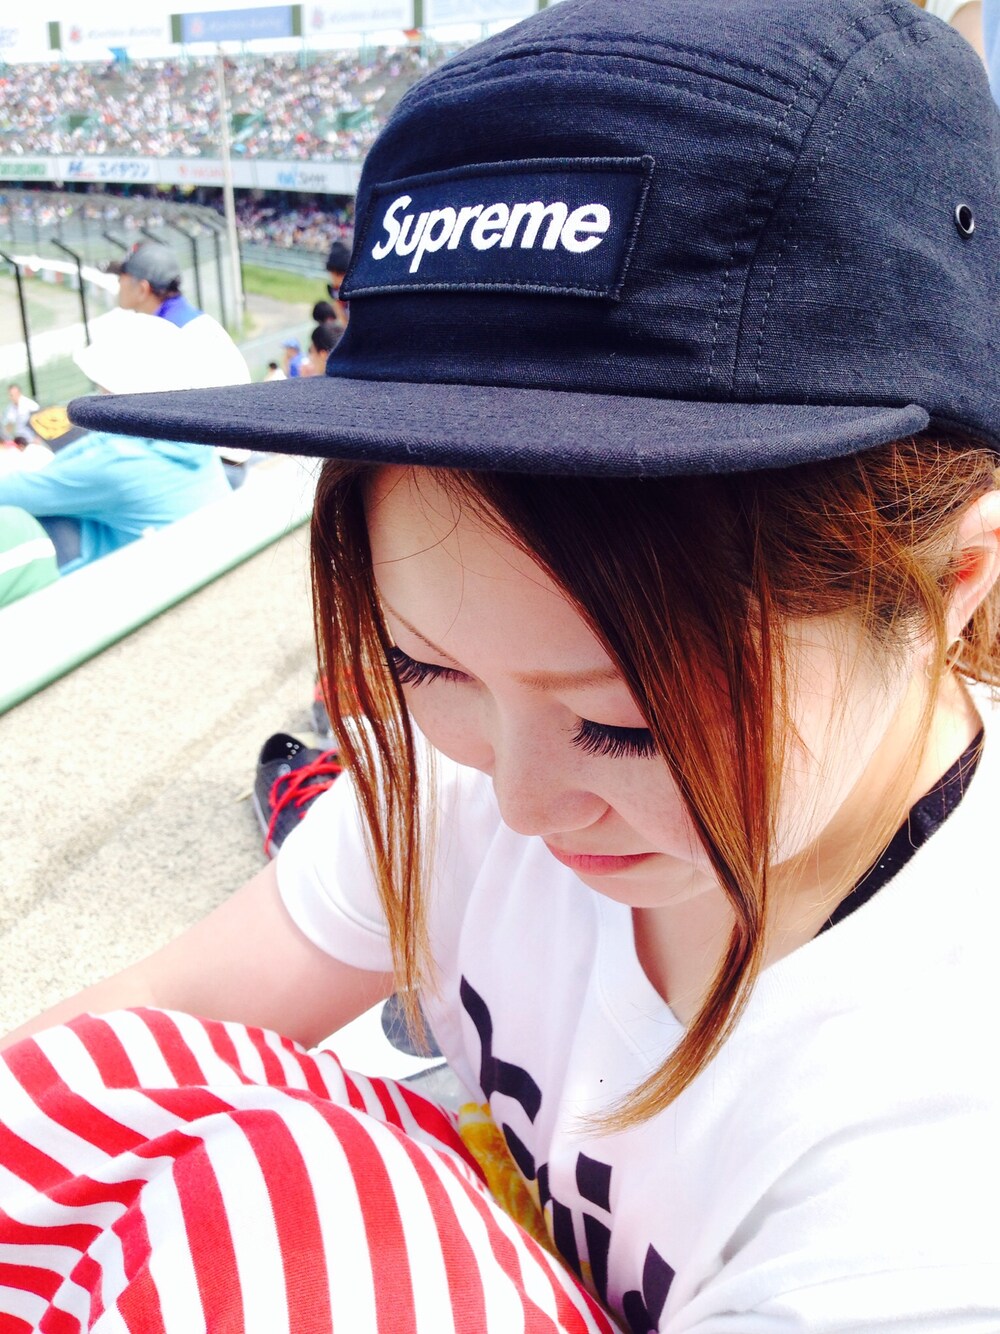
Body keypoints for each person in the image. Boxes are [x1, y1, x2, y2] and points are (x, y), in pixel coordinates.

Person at [5, 1, 1000, 1329]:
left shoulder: (940, 1164)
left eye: (625, 723)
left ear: (951, 583)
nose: (520, 801)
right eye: (422, 668)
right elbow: (120, 1046)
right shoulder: (462, 783)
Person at [0, 315, 231, 572]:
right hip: (194, 563)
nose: (99, 392)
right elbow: (98, 446)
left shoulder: (118, 462)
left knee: (27, 522)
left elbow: (11, 493)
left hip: (136, 579)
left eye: (103, 386)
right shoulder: (189, 435)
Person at [108, 239, 251, 387]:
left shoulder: (166, 336)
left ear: (142, 289)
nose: (119, 283)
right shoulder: (193, 321)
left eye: (121, 278)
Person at [324, 238, 351, 325]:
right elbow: (342, 320)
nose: (335, 279)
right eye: (333, 274)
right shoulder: (334, 291)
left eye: (340, 274)